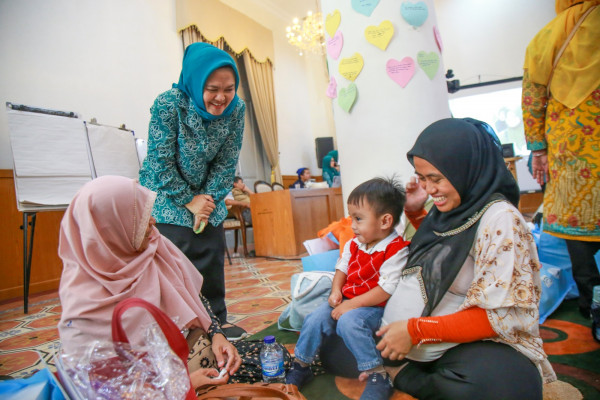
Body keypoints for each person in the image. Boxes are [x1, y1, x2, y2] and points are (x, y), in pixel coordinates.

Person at [321, 118, 556, 400]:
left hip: (454, 341)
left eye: (436, 178)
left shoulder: (500, 219)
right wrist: (417, 212)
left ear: (465, 169)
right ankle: (405, 367)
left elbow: (500, 315)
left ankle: (400, 374)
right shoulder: (450, 209)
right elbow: (434, 261)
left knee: (506, 385)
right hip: (405, 335)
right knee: (332, 349)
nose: (429, 188)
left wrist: (415, 331)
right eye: (422, 178)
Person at [57, 176, 242, 390]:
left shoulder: (155, 248)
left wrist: (217, 335)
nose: (153, 221)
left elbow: (196, 298)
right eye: (139, 217)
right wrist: (183, 386)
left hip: (199, 358)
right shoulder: (83, 310)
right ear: (110, 228)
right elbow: (105, 390)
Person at [139, 42, 246, 340]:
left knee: (211, 241)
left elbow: (227, 162)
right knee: (180, 246)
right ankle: (185, 323)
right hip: (165, 191)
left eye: (229, 88)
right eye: (212, 88)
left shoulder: (237, 109)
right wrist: (188, 200)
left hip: (206, 193)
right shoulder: (169, 104)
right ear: (196, 81)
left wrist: (207, 202)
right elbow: (160, 162)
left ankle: (216, 320)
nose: (221, 98)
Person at [286, 177, 409, 400]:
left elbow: (386, 289)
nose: (352, 225)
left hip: (375, 306)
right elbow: (341, 268)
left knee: (349, 321)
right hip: (348, 300)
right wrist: (336, 292)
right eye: (352, 218)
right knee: (314, 319)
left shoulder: (396, 249)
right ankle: (301, 366)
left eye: (358, 219)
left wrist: (351, 305)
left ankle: (376, 374)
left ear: (385, 221)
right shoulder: (355, 243)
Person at [522, 0, 600, 318]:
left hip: (572, 155)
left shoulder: (549, 35)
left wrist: (538, 149)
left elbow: (533, 97)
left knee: (577, 233)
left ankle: (591, 303)